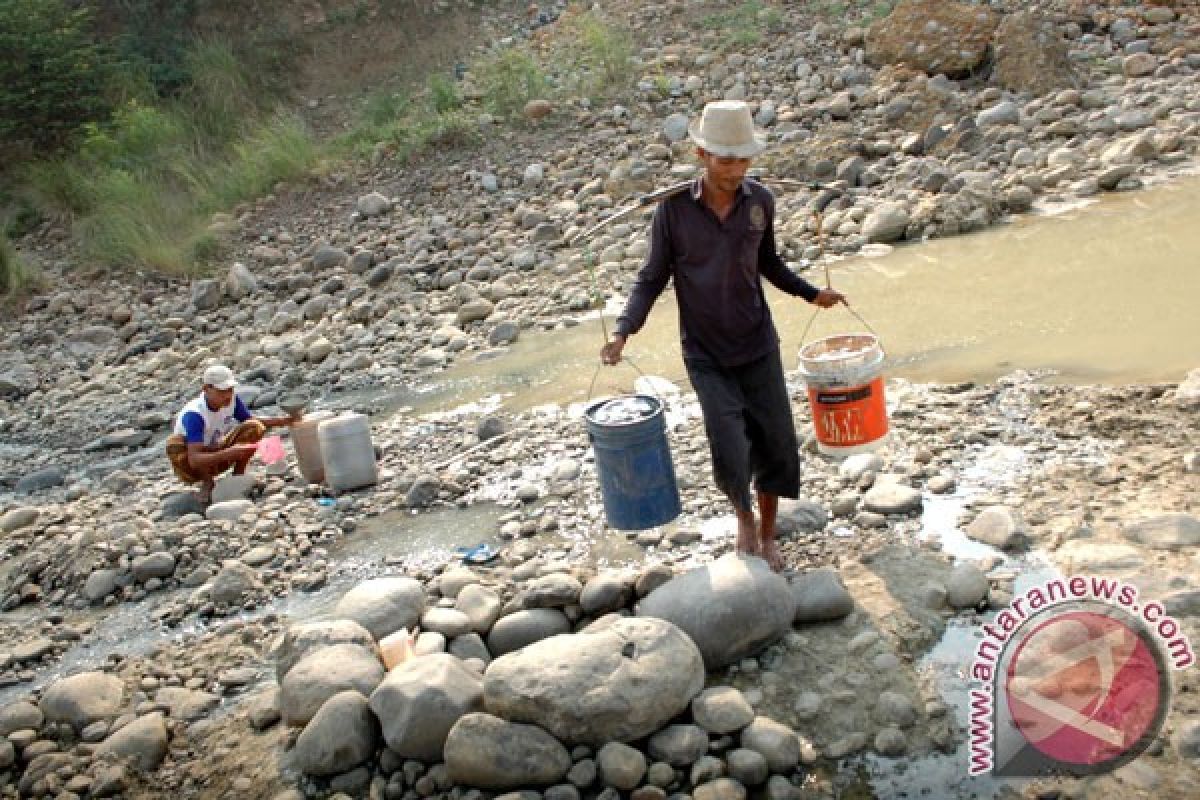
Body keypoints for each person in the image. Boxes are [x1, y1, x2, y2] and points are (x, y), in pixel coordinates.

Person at [600, 100, 845, 572]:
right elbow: (652, 277)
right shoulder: (673, 213)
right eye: (726, 159)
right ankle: (744, 518)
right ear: (702, 155)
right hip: (706, 352)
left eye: (743, 159)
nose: (736, 169)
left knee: (775, 441)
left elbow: (769, 263)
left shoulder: (760, 203)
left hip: (757, 342)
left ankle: (770, 533)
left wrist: (813, 294)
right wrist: (623, 330)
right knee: (729, 442)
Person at [166, 364, 299, 504]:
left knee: (254, 427)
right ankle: (207, 483)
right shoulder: (195, 414)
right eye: (222, 391)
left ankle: (238, 475)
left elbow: (251, 421)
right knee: (175, 443)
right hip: (192, 467)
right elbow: (194, 459)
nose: (227, 395)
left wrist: (283, 421)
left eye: (230, 390)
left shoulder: (232, 401)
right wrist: (229, 453)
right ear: (206, 389)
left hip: (216, 454)